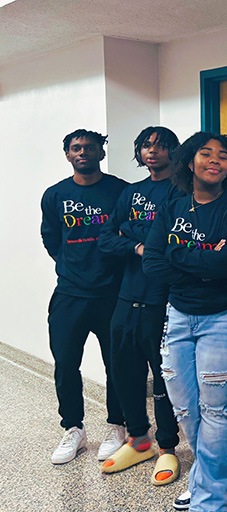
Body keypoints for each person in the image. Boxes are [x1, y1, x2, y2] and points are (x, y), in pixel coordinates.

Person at [143, 132, 227, 512]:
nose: (215, 160)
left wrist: (178, 256)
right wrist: (200, 256)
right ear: (189, 163)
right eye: (205, 154)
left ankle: (213, 493)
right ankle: (204, 479)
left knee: (216, 408)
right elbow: (152, 265)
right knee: (185, 407)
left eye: (223, 156)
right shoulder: (172, 206)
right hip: (180, 315)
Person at [97, 126, 183, 484]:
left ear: (173, 153)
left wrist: (137, 236)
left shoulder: (182, 192)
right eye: (146, 146)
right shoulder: (131, 193)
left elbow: (176, 241)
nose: (152, 152)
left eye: (160, 147)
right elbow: (105, 238)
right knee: (125, 371)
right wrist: (136, 245)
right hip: (125, 296)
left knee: (163, 376)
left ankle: (167, 448)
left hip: (162, 299)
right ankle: (138, 439)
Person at [40, 129, 129, 465]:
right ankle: (73, 429)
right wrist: (70, 265)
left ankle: (116, 425)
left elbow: (129, 232)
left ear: (100, 154)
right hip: (69, 294)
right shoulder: (55, 195)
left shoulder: (120, 191)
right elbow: (51, 237)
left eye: (90, 148)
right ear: (67, 154)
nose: (83, 153)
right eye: (76, 148)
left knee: (117, 365)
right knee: (65, 364)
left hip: (112, 294)